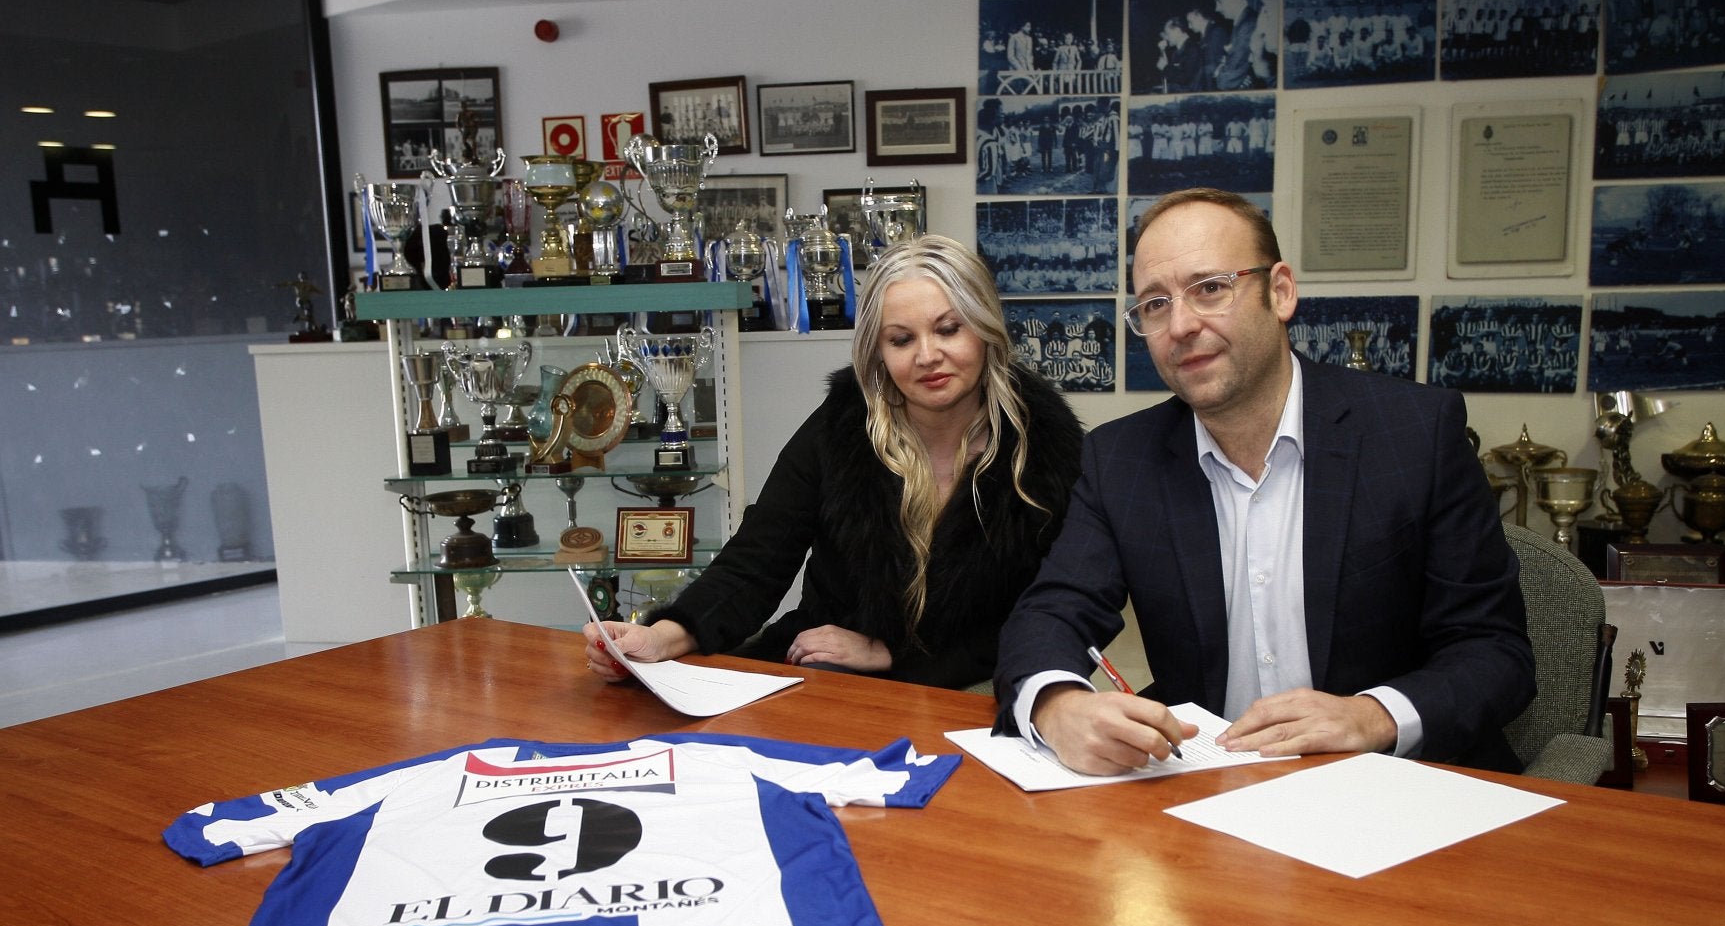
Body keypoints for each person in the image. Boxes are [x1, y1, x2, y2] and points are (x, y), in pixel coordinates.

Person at [993, 188, 1534, 775]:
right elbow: (1051, 612)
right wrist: (1056, 703)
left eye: (1209, 289)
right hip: (1208, 791)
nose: (1180, 325)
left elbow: (1495, 653)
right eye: (1154, 304)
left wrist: (1370, 717)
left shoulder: (1413, 435)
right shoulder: (1121, 458)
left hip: (1396, 789)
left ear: (1279, 292)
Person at [583, 234, 1084, 690]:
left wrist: (891, 653)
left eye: (948, 329)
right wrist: (666, 636)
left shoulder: (1047, 447)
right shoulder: (843, 424)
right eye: (901, 339)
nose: (928, 356)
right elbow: (759, 559)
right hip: (827, 665)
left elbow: (1051, 611)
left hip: (980, 678)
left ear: (985, 330)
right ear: (878, 352)